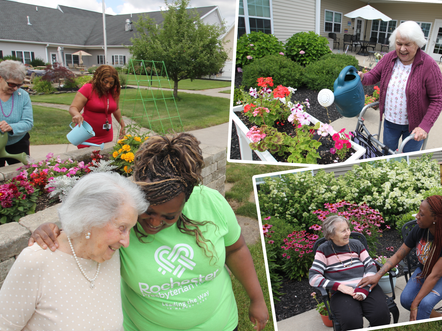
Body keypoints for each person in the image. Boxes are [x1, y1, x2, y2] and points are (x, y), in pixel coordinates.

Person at [30, 133, 270, 331]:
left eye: (169, 217)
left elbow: (236, 248)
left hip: (221, 324)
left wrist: (257, 299)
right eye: (148, 212)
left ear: (186, 201)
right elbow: (83, 246)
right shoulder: (121, 217)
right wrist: (54, 232)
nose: (154, 223)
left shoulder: (211, 203)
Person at [0, 172, 148, 331]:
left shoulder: (110, 254)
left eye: (129, 230)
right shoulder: (36, 261)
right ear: (90, 218)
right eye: (122, 228)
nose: (126, 242)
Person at [358, 195, 442, 321]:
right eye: (418, 211)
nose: (417, 216)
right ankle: (439, 317)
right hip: (425, 270)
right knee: (406, 300)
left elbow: (435, 275)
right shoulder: (419, 230)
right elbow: (398, 255)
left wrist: (415, 305)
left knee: (424, 304)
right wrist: (378, 275)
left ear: (435, 218)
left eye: (422, 214)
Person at [358, 21, 442, 153]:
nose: (402, 49)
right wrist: (362, 77)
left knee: (407, 160)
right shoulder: (388, 59)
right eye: (399, 44)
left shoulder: (429, 65)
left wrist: (425, 126)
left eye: (407, 44)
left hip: (415, 127)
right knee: (387, 155)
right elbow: (373, 76)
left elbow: (438, 99)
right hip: (390, 122)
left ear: (417, 44)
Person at [309, 215, 390, 330]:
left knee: (381, 315)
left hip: (366, 286)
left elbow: (370, 264)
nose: (348, 233)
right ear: (331, 235)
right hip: (341, 293)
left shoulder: (356, 244)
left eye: (348, 229)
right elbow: (313, 278)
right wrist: (340, 286)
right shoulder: (323, 250)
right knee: (351, 321)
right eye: (343, 231)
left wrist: (363, 289)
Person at [69, 65, 126, 148]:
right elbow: (73, 107)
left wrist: (123, 125)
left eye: (111, 83)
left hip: (106, 136)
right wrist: (77, 114)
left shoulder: (114, 91)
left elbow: (116, 109)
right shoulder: (88, 88)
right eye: (105, 82)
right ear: (98, 79)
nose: (108, 85)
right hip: (86, 135)